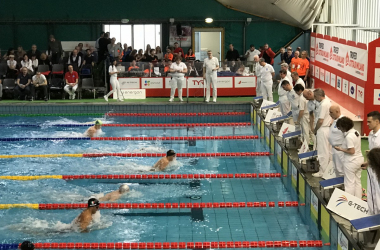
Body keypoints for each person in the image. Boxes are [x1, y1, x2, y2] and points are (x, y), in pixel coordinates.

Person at [334, 117, 363, 197]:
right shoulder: (356, 132)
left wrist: (341, 149)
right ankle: (358, 200)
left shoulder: (348, 137)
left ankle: (348, 203)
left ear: (344, 127)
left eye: (340, 127)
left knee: (349, 183)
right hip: (359, 160)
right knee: (357, 182)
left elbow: (351, 151)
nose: (340, 130)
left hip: (351, 162)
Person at [363, 111, 380, 215]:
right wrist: (368, 163)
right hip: (372, 168)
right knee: (371, 192)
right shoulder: (370, 134)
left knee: (378, 192)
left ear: (377, 121)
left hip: (378, 169)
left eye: (369, 122)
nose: (367, 124)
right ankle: (372, 214)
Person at [312, 88, 332, 177]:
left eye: (316, 97)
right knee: (328, 151)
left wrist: (315, 130)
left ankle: (322, 171)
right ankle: (328, 170)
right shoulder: (328, 101)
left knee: (322, 152)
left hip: (322, 129)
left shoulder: (323, 105)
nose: (315, 98)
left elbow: (320, 120)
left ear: (320, 96)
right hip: (327, 129)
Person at [328, 105, 345, 176]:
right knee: (336, 168)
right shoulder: (335, 121)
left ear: (337, 111)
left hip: (340, 149)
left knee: (340, 169)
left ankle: (343, 186)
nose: (329, 114)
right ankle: (339, 185)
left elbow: (347, 135)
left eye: (331, 112)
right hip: (334, 148)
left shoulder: (343, 121)